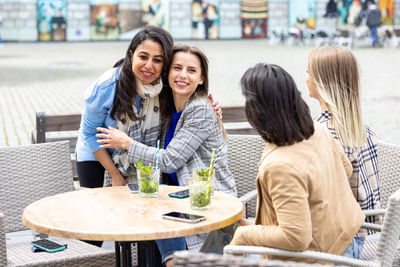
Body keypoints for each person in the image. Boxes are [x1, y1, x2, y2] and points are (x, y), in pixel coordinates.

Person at [97, 44, 237, 267]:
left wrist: (127, 144)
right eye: (177, 68)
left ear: (201, 79)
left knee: (159, 225)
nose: (182, 75)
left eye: (191, 70)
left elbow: (170, 161)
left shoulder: (199, 109)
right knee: (152, 213)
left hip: (208, 206)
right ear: (168, 73)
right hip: (176, 205)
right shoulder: (166, 107)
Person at [230, 63, 365, 263]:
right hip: (349, 242)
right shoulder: (316, 128)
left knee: (220, 250)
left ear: (257, 109)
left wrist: (244, 234)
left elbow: (296, 238)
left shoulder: (280, 165)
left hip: (321, 258)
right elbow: (345, 170)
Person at [76, 26, 220, 190]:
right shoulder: (107, 86)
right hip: (97, 157)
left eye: (157, 60)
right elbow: (89, 133)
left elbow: (187, 92)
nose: (149, 66)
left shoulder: (161, 86)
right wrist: (115, 174)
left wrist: (210, 106)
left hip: (138, 160)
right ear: (131, 55)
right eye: (143, 57)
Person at [306, 45, 380, 255]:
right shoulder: (364, 129)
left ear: (321, 82)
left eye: (308, 72)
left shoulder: (320, 133)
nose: (306, 78)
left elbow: (313, 200)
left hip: (335, 245)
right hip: (365, 234)